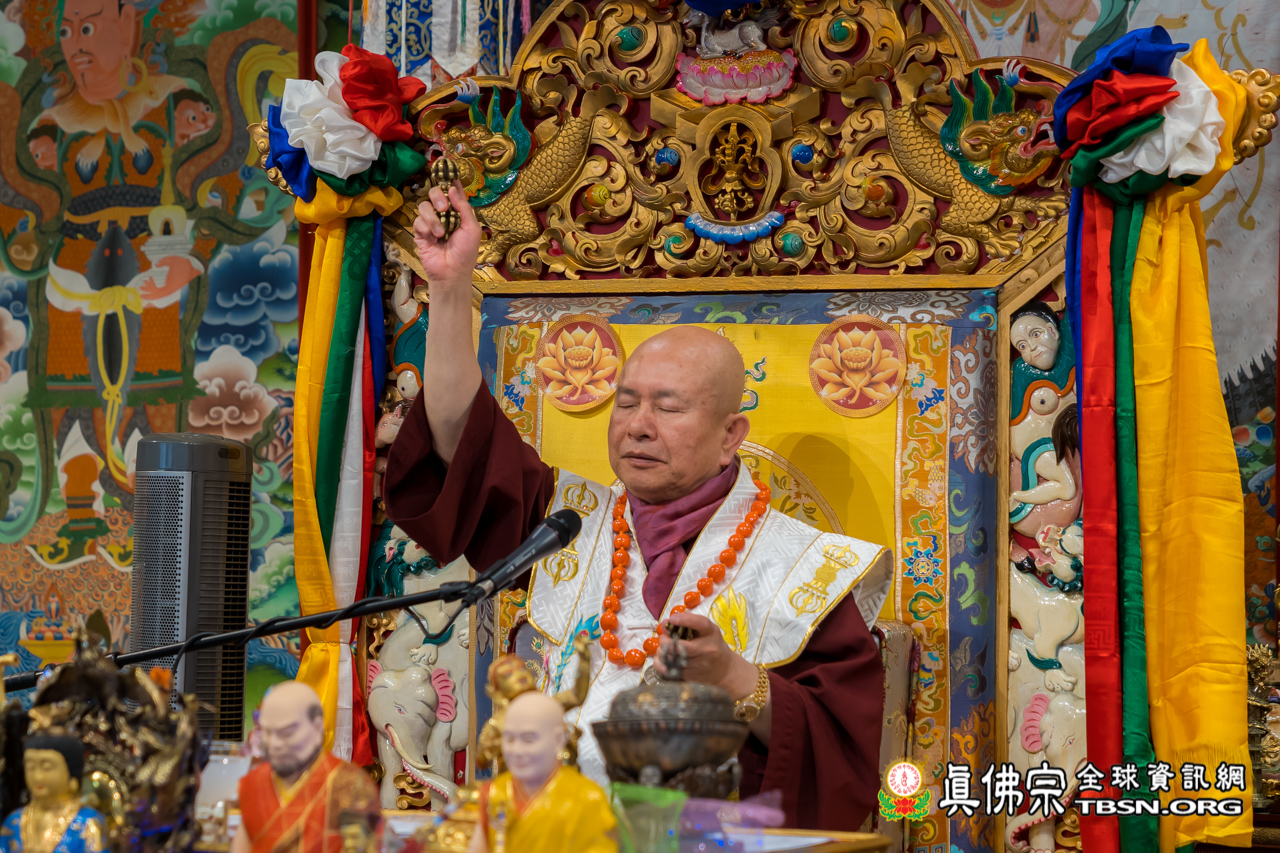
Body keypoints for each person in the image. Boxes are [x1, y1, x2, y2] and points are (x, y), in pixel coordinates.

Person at [384, 184, 893, 831]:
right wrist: (451, 288)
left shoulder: (803, 567)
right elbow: (462, 442)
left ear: (730, 435)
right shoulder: (566, 522)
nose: (638, 425)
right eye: (626, 403)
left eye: (668, 407)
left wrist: (735, 678)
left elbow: (841, 754)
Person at [232, 682, 380, 853]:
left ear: (317, 727)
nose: (275, 743)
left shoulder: (350, 785)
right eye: (267, 732)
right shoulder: (253, 784)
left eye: (287, 732)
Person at [470, 691, 617, 853]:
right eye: (509, 739)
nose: (517, 750)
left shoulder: (587, 797)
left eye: (528, 739)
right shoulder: (494, 792)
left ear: (558, 740)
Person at [0, 735, 104, 853]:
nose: (37, 776)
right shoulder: (14, 821)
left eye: (47, 767)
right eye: (30, 767)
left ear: (71, 774)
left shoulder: (87, 823)